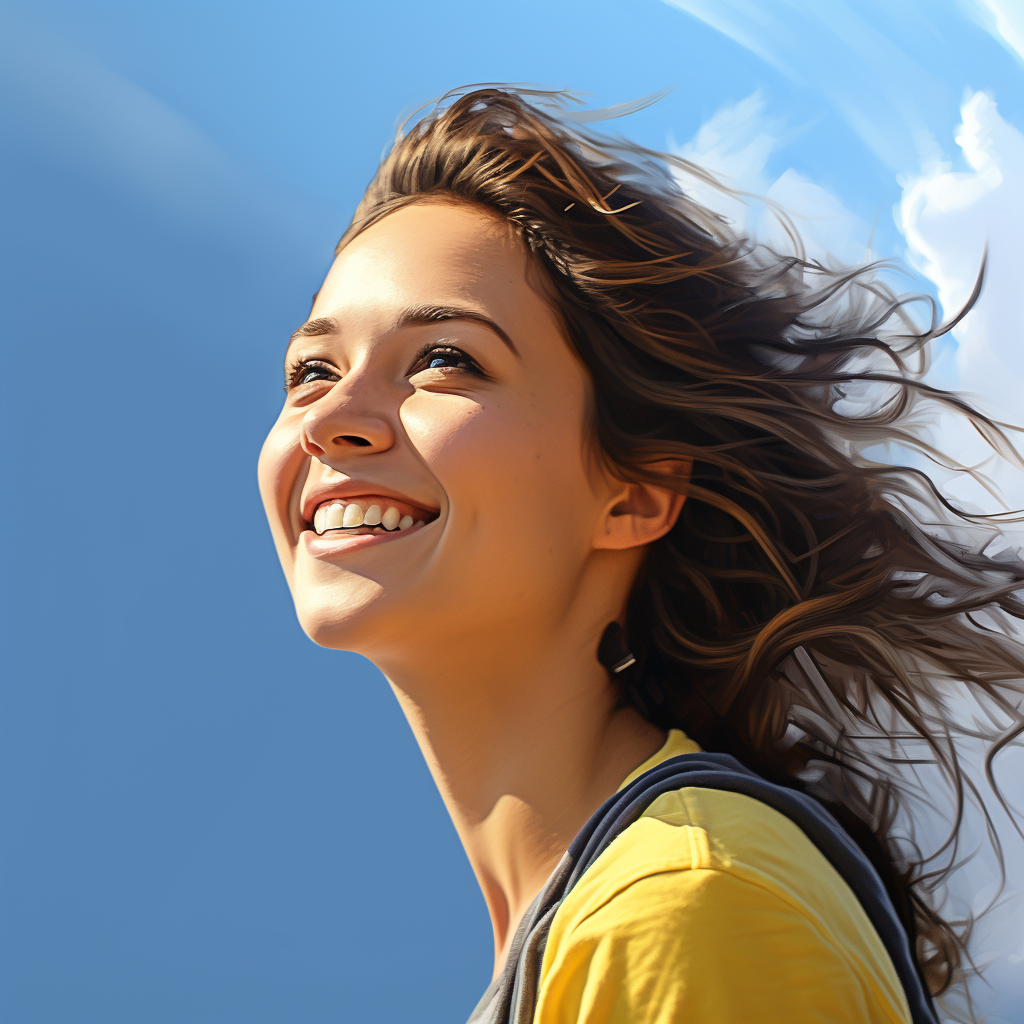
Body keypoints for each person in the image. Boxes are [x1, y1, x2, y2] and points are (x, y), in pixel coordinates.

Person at [257, 87, 1024, 1023]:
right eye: (311, 370)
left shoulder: (683, 904)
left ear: (634, 493)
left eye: (445, 359)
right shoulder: (612, 917)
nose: (330, 420)